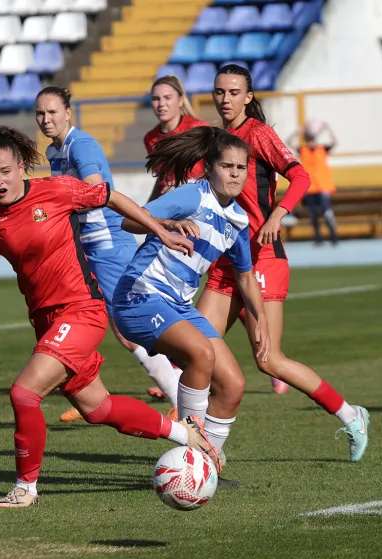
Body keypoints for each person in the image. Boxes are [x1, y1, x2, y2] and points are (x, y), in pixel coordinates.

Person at [0, 126, 222, 509]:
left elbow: (110, 196)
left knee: (24, 393)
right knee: (99, 409)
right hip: (47, 321)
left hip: (81, 311)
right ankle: (186, 433)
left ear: (22, 167)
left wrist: (159, 227)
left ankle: (25, 488)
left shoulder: (56, 190)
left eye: (6, 171)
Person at [195, 64, 369, 460]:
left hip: (263, 259)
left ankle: (350, 414)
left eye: (234, 92)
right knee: (195, 345)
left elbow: (301, 177)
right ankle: (205, 440)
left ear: (249, 96)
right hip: (225, 261)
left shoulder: (259, 134)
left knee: (269, 359)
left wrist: (277, 214)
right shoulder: (217, 140)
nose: (226, 99)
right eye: (220, 92)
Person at [114, 127, 269, 463]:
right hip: (140, 296)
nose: (234, 174)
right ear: (210, 168)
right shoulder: (192, 197)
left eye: (240, 168)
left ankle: (205, 466)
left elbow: (244, 276)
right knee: (202, 354)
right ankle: (191, 449)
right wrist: (166, 225)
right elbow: (129, 222)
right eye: (226, 166)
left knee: (233, 384)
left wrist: (261, 323)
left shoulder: (238, 220)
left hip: (178, 306)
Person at [35, 86, 182, 423]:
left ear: (68, 112)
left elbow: (95, 187)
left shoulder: (81, 145)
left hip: (108, 246)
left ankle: (180, 394)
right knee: (81, 318)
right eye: (41, 114)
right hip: (86, 247)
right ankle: (87, 394)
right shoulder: (55, 151)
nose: (46, 119)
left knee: (128, 328)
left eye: (53, 112)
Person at [143, 75, 210, 202]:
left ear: (180, 100)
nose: (161, 104)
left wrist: (182, 186)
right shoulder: (150, 138)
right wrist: (147, 207)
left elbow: (216, 171)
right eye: (156, 99)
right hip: (170, 202)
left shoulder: (199, 129)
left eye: (167, 98)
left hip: (201, 200)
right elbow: (162, 179)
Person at [288, 119, 339, 246]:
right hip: (310, 187)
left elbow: (335, 142)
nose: (311, 142)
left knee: (327, 213)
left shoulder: (322, 149)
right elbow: (288, 142)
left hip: (323, 186)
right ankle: (318, 238)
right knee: (314, 215)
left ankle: (333, 236)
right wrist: (298, 131)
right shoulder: (303, 149)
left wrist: (328, 128)